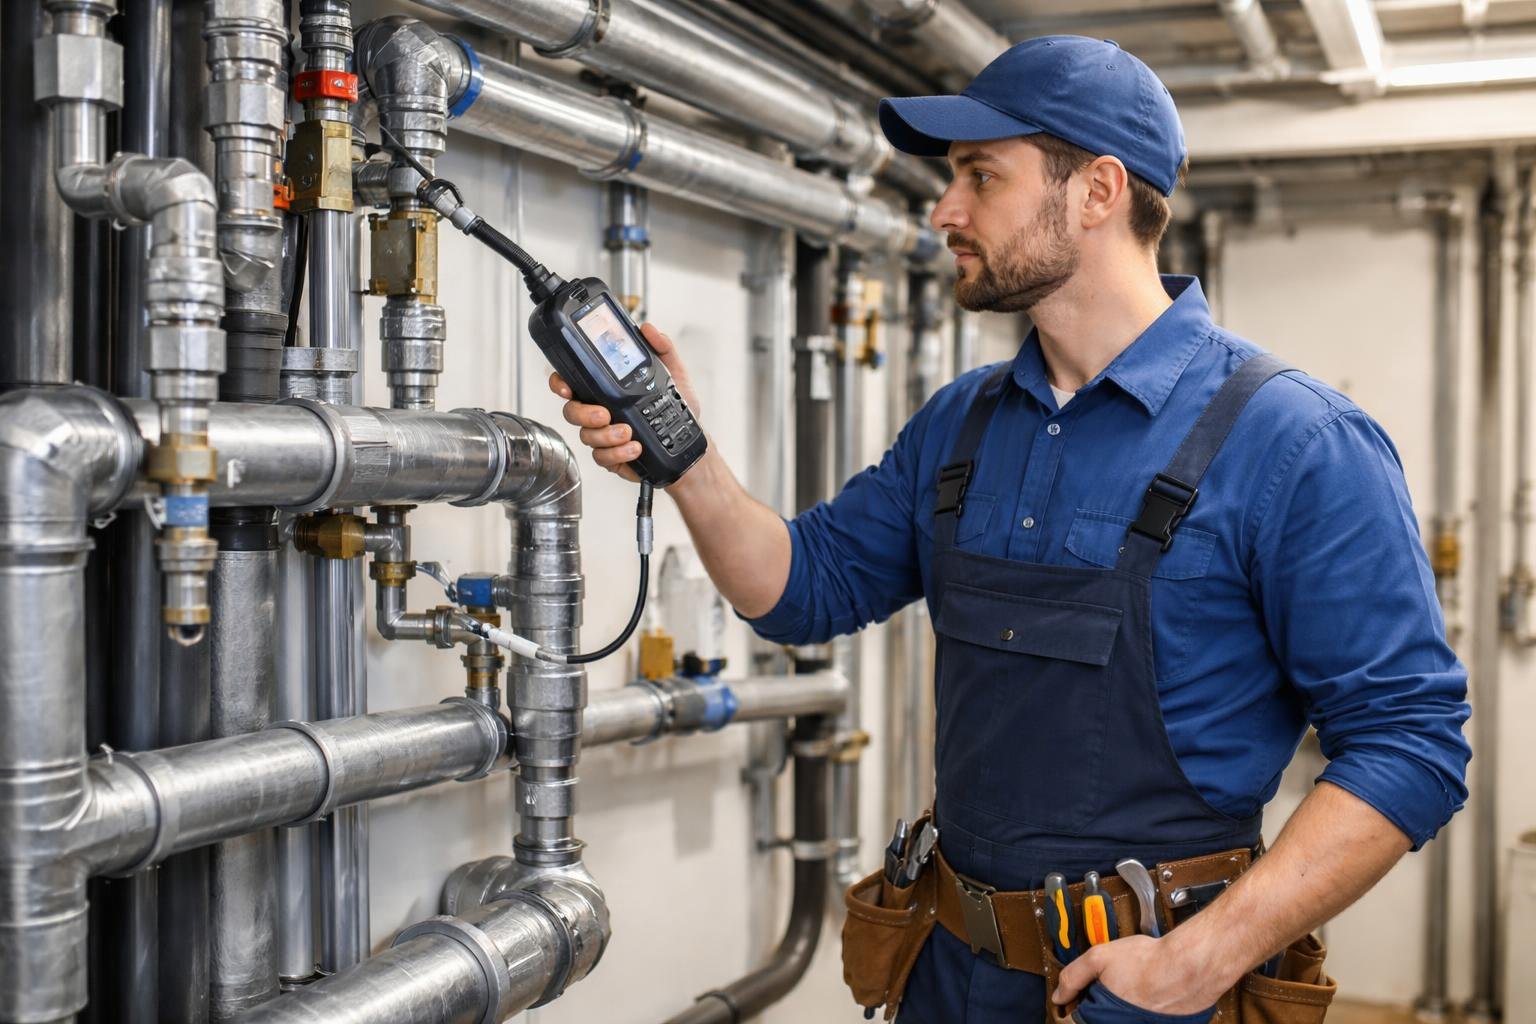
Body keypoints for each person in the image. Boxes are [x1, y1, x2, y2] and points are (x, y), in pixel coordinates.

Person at [549, 36, 1471, 1024]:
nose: (944, 210)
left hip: (1145, 995)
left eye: (980, 176)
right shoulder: (964, 421)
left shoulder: (1296, 440)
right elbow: (801, 587)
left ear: (1097, 191)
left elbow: (1411, 742)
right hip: (948, 973)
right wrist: (687, 462)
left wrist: (1197, 961)